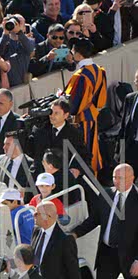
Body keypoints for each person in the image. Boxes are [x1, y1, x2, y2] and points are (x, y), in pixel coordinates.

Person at [72, 164, 138, 279]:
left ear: (132, 178)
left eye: (120, 178)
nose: (116, 181)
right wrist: (75, 234)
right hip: (107, 254)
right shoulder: (107, 194)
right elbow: (94, 219)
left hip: (131, 256)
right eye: (114, 177)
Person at [31, 201, 86, 279]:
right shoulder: (36, 231)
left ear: (47, 217)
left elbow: (73, 270)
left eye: (36, 214)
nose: (33, 216)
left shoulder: (65, 239)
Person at [64, 37, 108, 178]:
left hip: (81, 118)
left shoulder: (80, 75)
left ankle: (86, 181)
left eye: (72, 51)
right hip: (93, 115)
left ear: (78, 54)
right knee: (92, 148)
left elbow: (73, 105)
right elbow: (100, 100)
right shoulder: (100, 70)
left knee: (84, 150)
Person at [27, 97, 89, 174]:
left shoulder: (74, 133)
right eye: (51, 112)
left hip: (61, 175)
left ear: (66, 115)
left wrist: (76, 169)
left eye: (56, 113)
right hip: (40, 174)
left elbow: (84, 155)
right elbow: (30, 150)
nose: (52, 116)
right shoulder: (40, 129)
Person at [119, 72, 138, 173]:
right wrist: (119, 151)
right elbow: (123, 127)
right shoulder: (130, 98)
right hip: (131, 147)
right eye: (137, 80)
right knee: (126, 178)